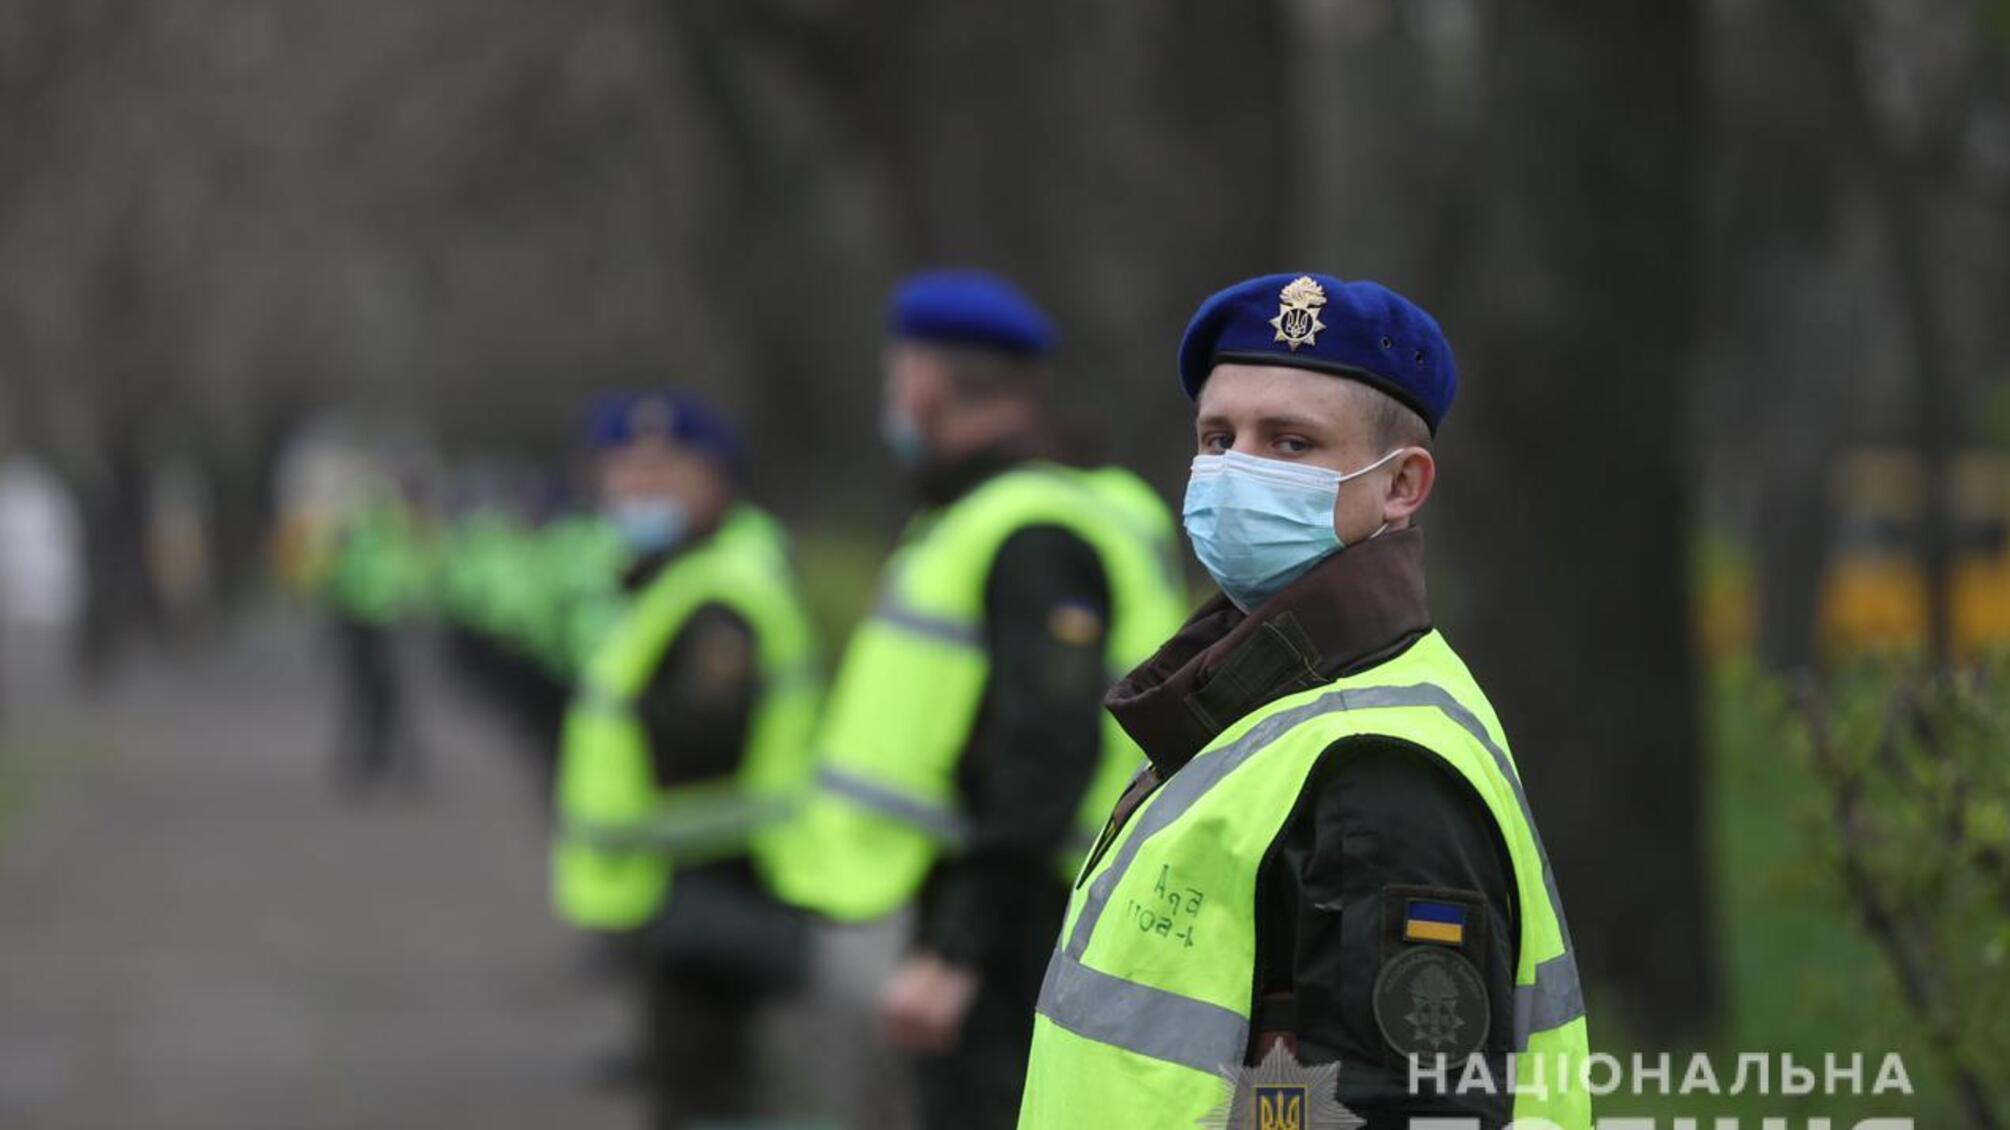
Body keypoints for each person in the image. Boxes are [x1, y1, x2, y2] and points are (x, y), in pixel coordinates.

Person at [1016, 274, 1591, 1130]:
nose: (1234, 470)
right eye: (1218, 437)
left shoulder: (1379, 766)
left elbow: (1393, 1108)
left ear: (1401, 486)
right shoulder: (1252, 695)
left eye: (1290, 444)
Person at [774, 270, 1188, 1130]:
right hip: (1020, 907)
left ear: (924, 382)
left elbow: (1047, 746)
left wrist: (959, 951)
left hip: (1024, 923)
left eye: (897, 376)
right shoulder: (1000, 515)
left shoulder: (1032, 530)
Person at [550, 390, 821, 1129]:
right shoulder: (672, 578)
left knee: (710, 1093)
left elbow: (702, 744)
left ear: (717, 481)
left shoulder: (721, 592)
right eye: (623, 473)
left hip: (714, 879)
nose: (638, 490)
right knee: (701, 1084)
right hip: (681, 882)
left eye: (663, 474)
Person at [321, 475, 424, 796]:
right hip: (365, 623)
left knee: (381, 695)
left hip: (376, 623)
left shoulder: (373, 537)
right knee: (370, 695)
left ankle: (386, 758)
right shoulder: (377, 538)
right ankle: (373, 758)